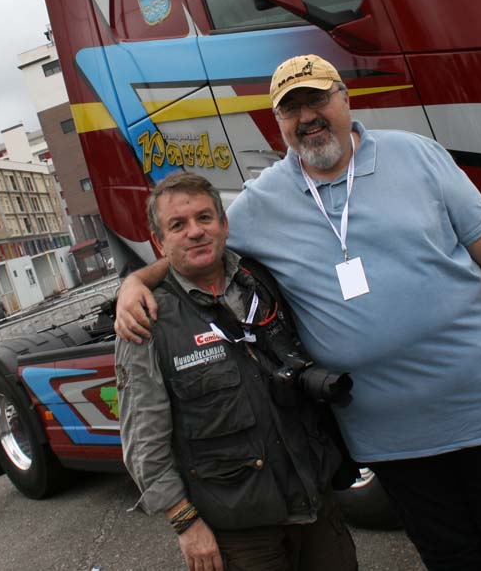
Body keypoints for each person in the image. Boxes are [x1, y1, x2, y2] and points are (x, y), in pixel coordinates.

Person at [116, 54, 481, 571]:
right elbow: (196, 245)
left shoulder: (417, 155)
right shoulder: (261, 201)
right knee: (451, 555)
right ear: (279, 124)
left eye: (317, 100)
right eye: (292, 110)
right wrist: (135, 281)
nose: (308, 117)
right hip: (389, 438)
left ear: (344, 99)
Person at [116, 171, 358, 571]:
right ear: (160, 243)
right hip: (242, 537)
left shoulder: (262, 281)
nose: (195, 232)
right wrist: (186, 524)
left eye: (204, 218)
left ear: (224, 225)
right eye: (178, 225)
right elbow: (144, 446)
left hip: (317, 509)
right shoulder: (146, 323)